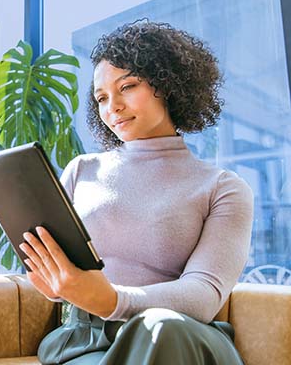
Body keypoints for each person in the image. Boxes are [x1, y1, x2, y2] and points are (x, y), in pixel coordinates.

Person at [19, 20, 254, 364]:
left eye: (127, 86)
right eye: (101, 97)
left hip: (181, 336)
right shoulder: (82, 170)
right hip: (88, 340)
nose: (111, 106)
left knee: (160, 327)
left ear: (170, 85)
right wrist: (57, 282)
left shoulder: (223, 188)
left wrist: (113, 300)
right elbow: (48, 264)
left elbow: (204, 294)